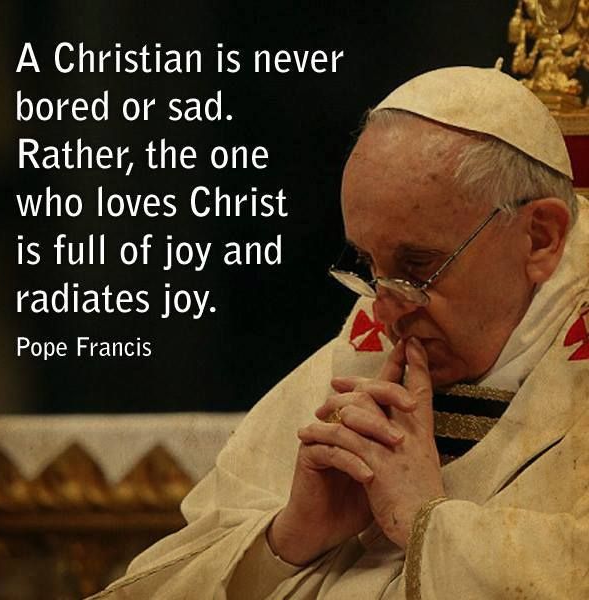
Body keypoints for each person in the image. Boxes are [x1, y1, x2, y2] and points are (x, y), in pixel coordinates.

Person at [89, 65, 589, 599]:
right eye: (370, 264)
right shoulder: (352, 364)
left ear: (540, 238)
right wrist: (288, 540)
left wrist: (427, 522)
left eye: (418, 267)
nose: (386, 312)